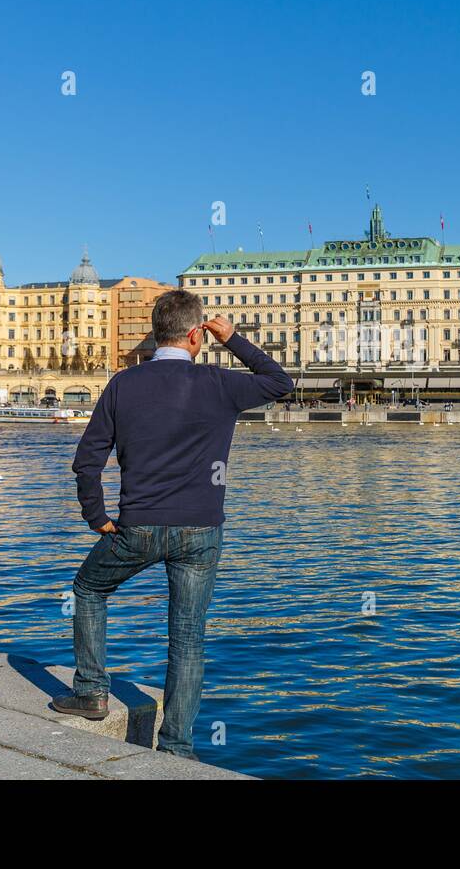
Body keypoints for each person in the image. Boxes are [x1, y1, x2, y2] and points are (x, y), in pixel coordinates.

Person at [51, 289, 294, 760]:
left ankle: (92, 693)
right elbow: (279, 382)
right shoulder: (219, 383)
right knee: (187, 637)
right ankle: (177, 747)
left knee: (89, 590)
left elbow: (87, 461)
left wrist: (96, 516)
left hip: (137, 527)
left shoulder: (123, 384)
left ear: (156, 333)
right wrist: (235, 339)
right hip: (201, 531)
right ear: (196, 334)